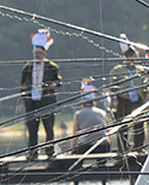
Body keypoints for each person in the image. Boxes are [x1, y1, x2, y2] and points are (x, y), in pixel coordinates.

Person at [20, 29, 62, 159]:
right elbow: (22, 85)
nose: (36, 55)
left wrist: (55, 85)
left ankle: (50, 152)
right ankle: (32, 153)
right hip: (31, 102)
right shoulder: (27, 68)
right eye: (35, 53)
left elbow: (59, 80)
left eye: (39, 53)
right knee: (32, 129)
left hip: (47, 101)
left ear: (44, 54)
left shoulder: (52, 67)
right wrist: (24, 92)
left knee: (49, 127)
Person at [110, 34, 149, 150]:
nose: (133, 60)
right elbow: (112, 87)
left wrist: (144, 102)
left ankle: (139, 147)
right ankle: (123, 149)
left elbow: (145, 87)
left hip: (137, 100)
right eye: (130, 57)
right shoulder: (117, 70)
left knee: (139, 125)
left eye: (134, 57)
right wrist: (112, 101)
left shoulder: (140, 70)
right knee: (122, 126)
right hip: (123, 99)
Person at [71, 80, 111, 154]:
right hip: (103, 146)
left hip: (86, 147)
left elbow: (75, 134)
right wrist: (109, 147)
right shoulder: (103, 112)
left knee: (78, 149)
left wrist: (73, 148)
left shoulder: (78, 114)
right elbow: (108, 132)